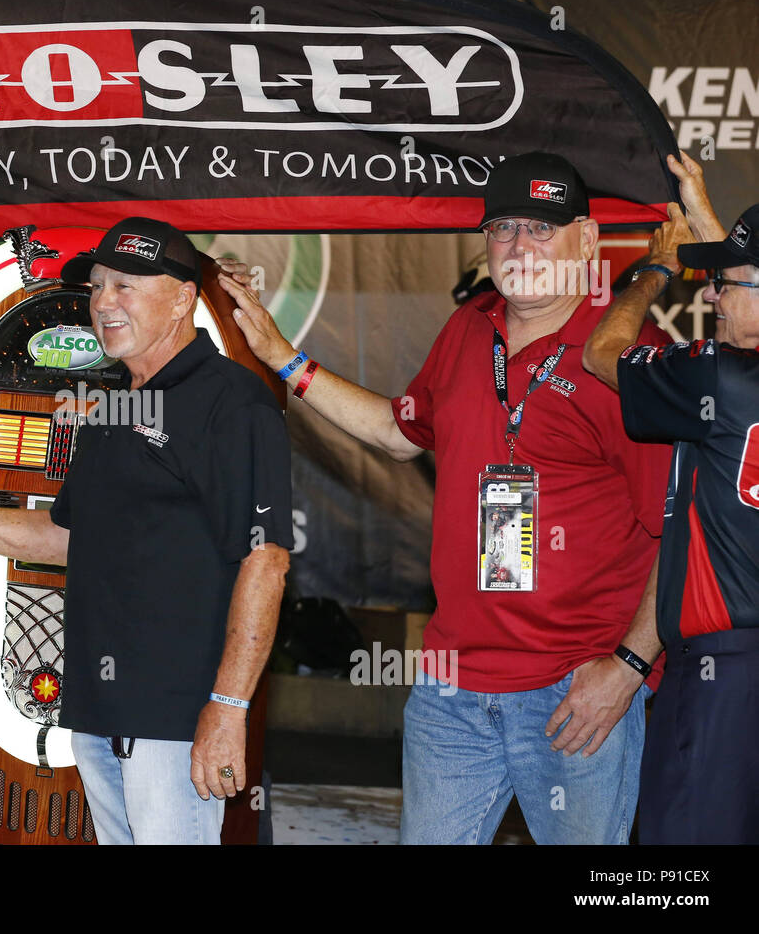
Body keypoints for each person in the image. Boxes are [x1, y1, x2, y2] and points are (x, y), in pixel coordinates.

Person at [222, 152, 671, 844]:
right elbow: (399, 432)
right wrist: (285, 357)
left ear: (586, 240)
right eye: (503, 229)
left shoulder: (625, 354)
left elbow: (683, 532)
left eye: (541, 228)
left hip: (574, 692)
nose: (519, 245)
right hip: (452, 689)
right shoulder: (469, 330)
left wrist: (630, 667)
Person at [0, 217, 292, 844]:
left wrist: (228, 708)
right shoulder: (112, 404)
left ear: (182, 298)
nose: (103, 302)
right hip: (97, 714)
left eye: (127, 285)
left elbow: (266, 562)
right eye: (97, 286)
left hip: (173, 719)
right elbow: (65, 536)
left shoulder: (232, 401)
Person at [584, 151, 759, 843]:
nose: (709, 295)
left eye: (723, 284)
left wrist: (654, 273)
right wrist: (708, 217)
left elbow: (605, 352)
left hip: (724, 680)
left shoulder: (721, 379)